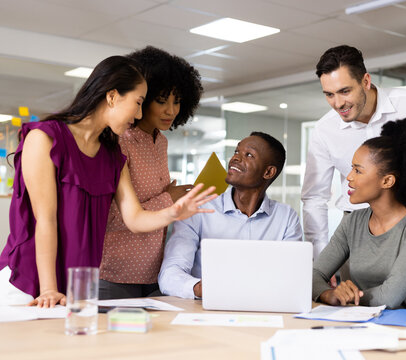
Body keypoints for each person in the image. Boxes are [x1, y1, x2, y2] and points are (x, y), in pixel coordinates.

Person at [0, 55, 217, 307]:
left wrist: (174, 211)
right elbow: (45, 220)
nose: (138, 114)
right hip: (31, 282)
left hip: (78, 284)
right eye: (138, 103)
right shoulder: (45, 138)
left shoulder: (112, 155)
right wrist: (49, 289)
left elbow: (134, 219)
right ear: (112, 96)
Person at [302, 45, 406, 261]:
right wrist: (320, 257)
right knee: (354, 294)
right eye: (329, 95)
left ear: (365, 82)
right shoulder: (324, 129)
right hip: (355, 226)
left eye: (345, 91)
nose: (338, 103)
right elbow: (314, 197)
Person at [312, 118, 406, 310]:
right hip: (361, 326)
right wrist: (330, 294)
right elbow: (314, 276)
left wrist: (346, 298)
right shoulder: (353, 221)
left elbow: (390, 297)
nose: (349, 177)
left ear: (387, 181)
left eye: (358, 170)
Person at [99, 46, 203, 300]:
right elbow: (109, 218)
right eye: (161, 100)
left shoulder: (161, 141)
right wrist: (169, 198)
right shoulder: (118, 140)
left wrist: (177, 199)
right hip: (115, 271)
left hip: (155, 270)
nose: (171, 110)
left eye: (177, 101)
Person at [159, 132, 302, 299]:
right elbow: (169, 274)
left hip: (263, 309)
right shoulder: (198, 209)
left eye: (249, 155)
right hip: (206, 310)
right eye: (236, 152)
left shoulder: (286, 218)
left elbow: (293, 276)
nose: (235, 158)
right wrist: (199, 288)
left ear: (268, 172)